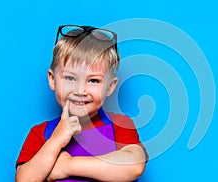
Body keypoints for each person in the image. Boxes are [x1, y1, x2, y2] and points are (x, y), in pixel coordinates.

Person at [15, 25, 147, 182]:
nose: (80, 90)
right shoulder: (41, 133)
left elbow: (134, 166)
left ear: (110, 86)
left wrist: (68, 165)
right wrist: (55, 141)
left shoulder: (119, 124)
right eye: (70, 78)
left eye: (93, 80)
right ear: (52, 79)